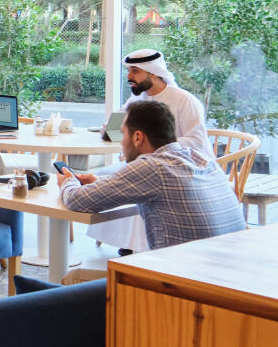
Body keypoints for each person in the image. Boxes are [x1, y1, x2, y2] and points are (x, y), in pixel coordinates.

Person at [58, 99, 245, 250]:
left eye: (123, 134)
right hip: (227, 278)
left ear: (138, 137)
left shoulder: (153, 166)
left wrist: (68, 181)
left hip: (182, 280)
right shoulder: (201, 159)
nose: (121, 142)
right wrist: (100, 182)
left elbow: (77, 200)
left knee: (72, 280)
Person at [88, 48, 210, 252]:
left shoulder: (184, 100)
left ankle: (138, 248)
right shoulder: (137, 100)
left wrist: (155, 145)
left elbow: (197, 142)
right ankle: (126, 243)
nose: (129, 76)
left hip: (185, 167)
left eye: (135, 71)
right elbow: (111, 129)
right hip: (147, 165)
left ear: (153, 73)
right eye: (128, 71)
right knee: (105, 174)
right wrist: (114, 131)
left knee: (140, 181)